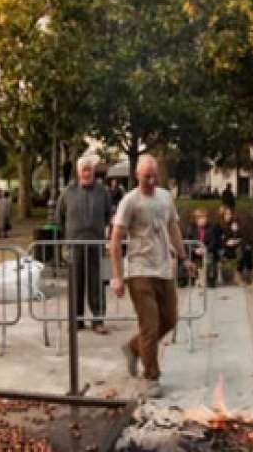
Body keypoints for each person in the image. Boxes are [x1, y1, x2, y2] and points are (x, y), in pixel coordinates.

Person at [108, 155, 193, 399]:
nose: (152, 180)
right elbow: (115, 242)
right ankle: (151, 377)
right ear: (137, 175)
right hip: (139, 270)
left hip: (163, 269)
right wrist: (117, 277)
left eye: (155, 175)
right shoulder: (129, 202)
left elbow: (173, 228)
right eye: (147, 176)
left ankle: (134, 347)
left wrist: (184, 257)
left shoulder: (165, 197)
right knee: (150, 324)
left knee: (170, 319)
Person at [57, 156, 113, 334]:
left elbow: (108, 214)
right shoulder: (68, 192)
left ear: (93, 172)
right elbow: (60, 217)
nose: (87, 173)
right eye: (84, 169)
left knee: (96, 283)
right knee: (76, 283)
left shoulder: (103, 191)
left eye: (89, 169)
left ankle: (98, 320)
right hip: (75, 245)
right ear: (79, 172)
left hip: (96, 243)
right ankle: (76, 320)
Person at [214, 206, 253, 286]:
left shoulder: (234, 224)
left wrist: (236, 232)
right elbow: (216, 240)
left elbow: (242, 237)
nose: (229, 216)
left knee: (247, 251)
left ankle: (248, 276)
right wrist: (226, 242)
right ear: (222, 215)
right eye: (227, 214)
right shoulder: (218, 226)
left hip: (236, 247)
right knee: (241, 252)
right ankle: (238, 276)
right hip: (224, 249)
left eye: (230, 214)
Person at [183, 208, 221, 288]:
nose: (204, 220)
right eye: (201, 218)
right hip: (194, 252)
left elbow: (213, 242)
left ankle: (209, 279)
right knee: (187, 257)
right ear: (197, 219)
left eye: (205, 218)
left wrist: (205, 249)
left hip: (207, 251)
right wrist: (195, 249)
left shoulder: (211, 228)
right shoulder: (191, 228)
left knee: (210, 258)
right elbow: (188, 242)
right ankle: (192, 279)